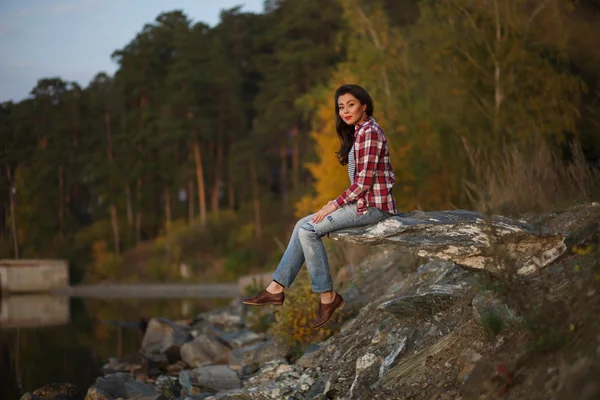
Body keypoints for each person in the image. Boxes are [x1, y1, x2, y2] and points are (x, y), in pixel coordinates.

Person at [243, 84, 397, 329]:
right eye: (341, 107)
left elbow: (364, 184)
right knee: (300, 224)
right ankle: (276, 288)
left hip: (373, 208)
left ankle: (328, 297)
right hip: (362, 204)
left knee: (308, 230)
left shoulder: (370, 132)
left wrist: (332, 206)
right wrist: (333, 206)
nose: (345, 111)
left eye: (351, 105)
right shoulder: (360, 131)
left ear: (364, 105)